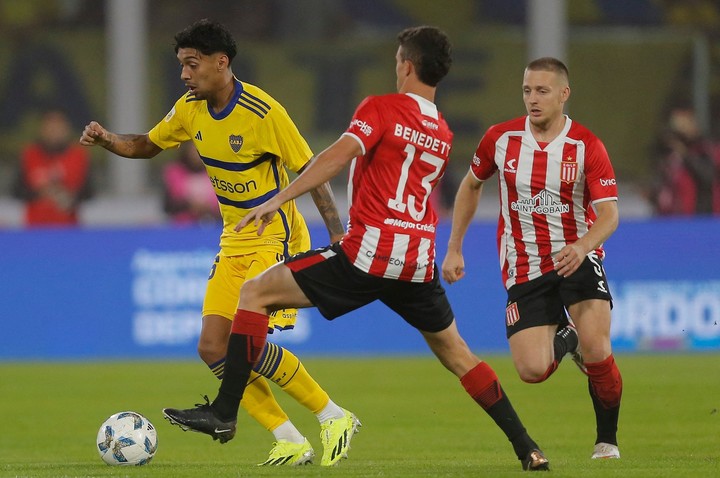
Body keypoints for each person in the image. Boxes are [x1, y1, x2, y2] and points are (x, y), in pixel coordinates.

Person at [163, 26, 550, 472]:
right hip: (416, 260)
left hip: (368, 253)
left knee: (254, 294)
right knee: (459, 355)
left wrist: (278, 198)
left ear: (405, 65)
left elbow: (335, 156)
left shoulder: (380, 108)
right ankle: (527, 447)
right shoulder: (441, 131)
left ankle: (225, 411)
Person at [80, 19, 360, 467]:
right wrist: (107, 139)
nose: (185, 75)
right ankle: (289, 438)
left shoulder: (263, 112)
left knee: (241, 340)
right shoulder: (189, 109)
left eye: (192, 65)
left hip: (275, 232)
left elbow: (314, 174)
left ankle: (332, 415)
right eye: (181, 66)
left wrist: (337, 235)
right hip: (234, 237)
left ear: (221, 63)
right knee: (212, 346)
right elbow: (148, 146)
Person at [441, 57, 623, 460]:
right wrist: (455, 246)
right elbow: (471, 186)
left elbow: (609, 214)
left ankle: (606, 442)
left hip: (576, 257)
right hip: (524, 265)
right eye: (527, 90)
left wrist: (581, 247)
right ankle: (567, 335)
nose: (533, 99)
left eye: (542, 91)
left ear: (564, 94)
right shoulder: (500, 139)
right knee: (532, 371)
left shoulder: (586, 145)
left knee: (598, 349)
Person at [13, 108, 93, 226]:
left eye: (58, 127)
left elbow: (89, 191)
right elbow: (17, 190)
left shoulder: (78, 156)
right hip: (35, 228)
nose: (54, 132)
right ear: (42, 129)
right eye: (50, 127)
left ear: (67, 129)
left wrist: (70, 197)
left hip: (68, 227)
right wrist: (41, 193)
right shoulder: (30, 155)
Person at [650, 106, 720, 215]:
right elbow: (662, 182)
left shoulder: (705, 148)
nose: (679, 127)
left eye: (684, 122)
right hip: (670, 217)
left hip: (701, 216)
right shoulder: (669, 151)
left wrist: (685, 154)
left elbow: (708, 176)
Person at [162, 141, 222, 224]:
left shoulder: (217, 173)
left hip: (213, 225)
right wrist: (188, 205)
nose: (196, 154)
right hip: (182, 227)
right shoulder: (174, 172)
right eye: (193, 150)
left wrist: (208, 208)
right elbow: (167, 205)